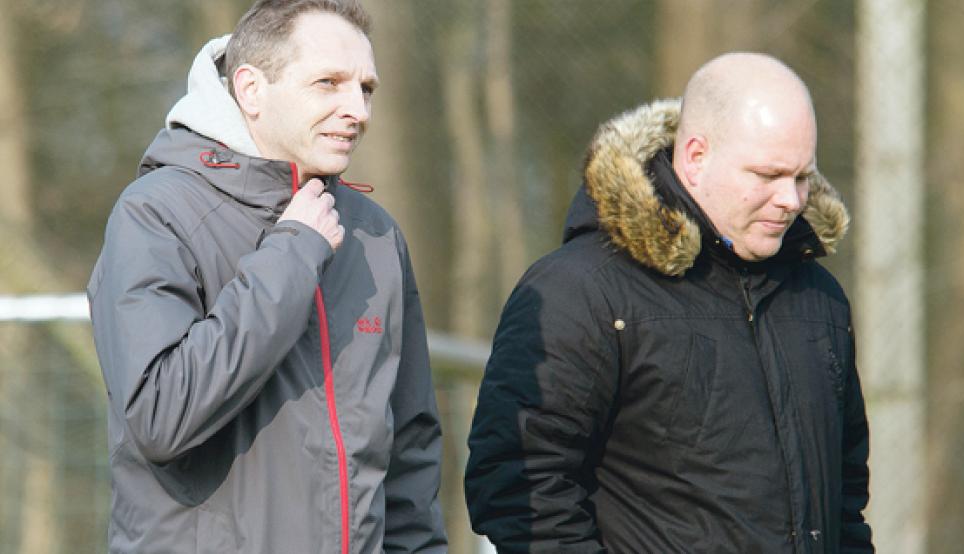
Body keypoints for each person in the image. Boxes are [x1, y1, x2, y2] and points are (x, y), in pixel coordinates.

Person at [465, 52, 873, 553]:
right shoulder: (580, 292)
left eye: (802, 177)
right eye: (768, 175)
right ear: (696, 157)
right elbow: (518, 484)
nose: (791, 198)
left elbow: (845, 500)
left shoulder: (819, 300)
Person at [87, 1, 446, 552]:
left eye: (366, 88)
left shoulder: (375, 235)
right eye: (329, 83)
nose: (358, 110)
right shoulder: (154, 214)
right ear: (252, 90)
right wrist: (292, 254)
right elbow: (161, 416)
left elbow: (409, 454)